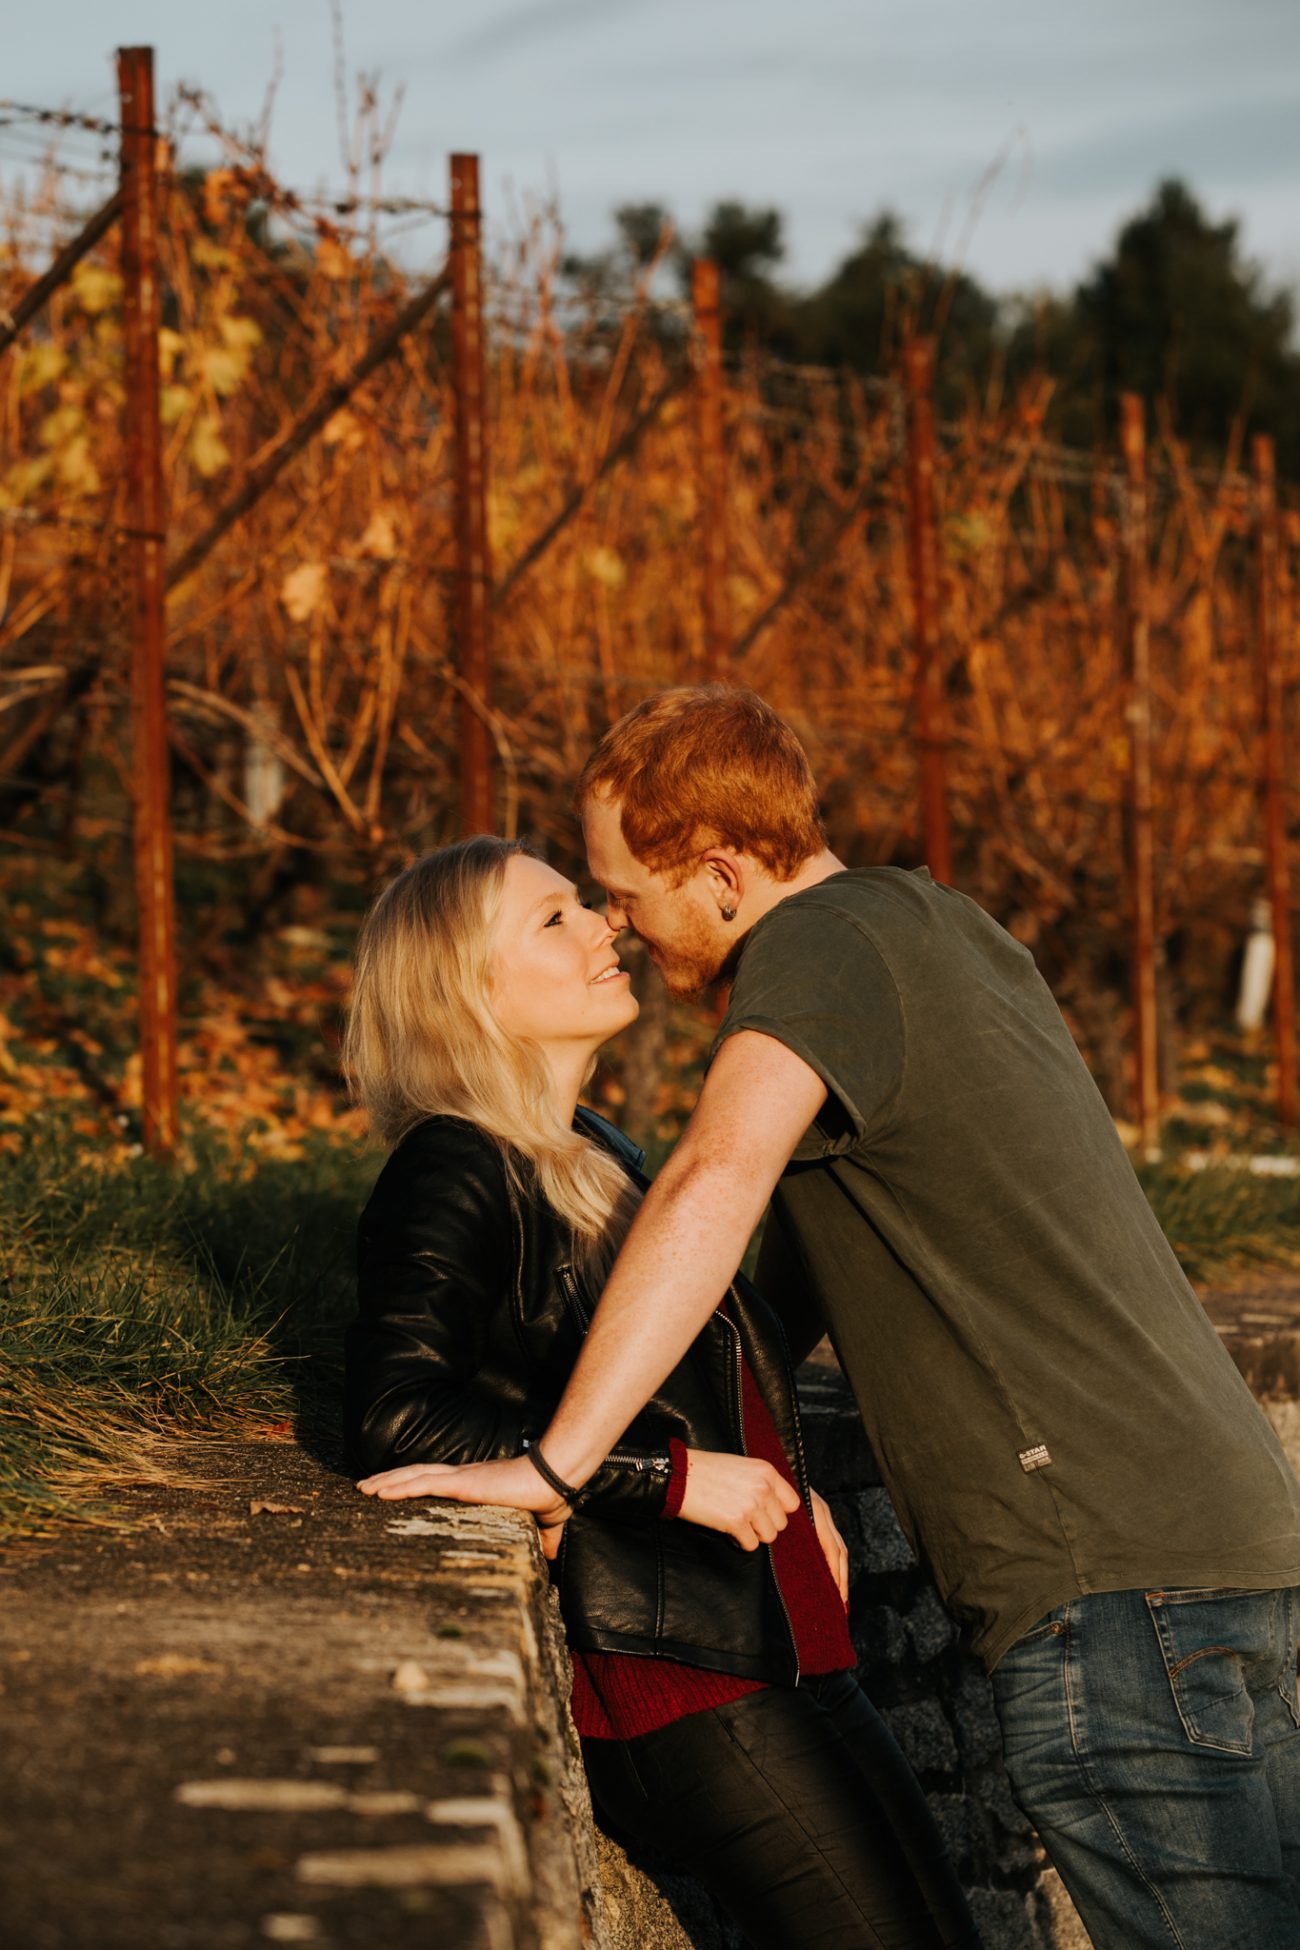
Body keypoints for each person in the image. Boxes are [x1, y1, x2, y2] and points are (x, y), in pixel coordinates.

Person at [402, 689, 1300, 1950]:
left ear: (719, 874)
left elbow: (714, 1179)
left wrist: (560, 1464)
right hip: (1229, 1540)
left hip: (1113, 1580)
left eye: (620, 889)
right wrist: (742, 1467)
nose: (615, 921)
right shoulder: (937, 923)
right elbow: (777, 1301)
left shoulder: (815, 949)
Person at [342, 836, 980, 1950]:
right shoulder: (455, 1165)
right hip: (678, 1679)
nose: (606, 924)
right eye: (555, 919)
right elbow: (398, 1411)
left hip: (777, 1645)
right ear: (465, 987)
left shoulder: (591, 1152)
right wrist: (668, 1481)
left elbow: (695, 1374)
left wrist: (792, 1488)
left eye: (587, 905)